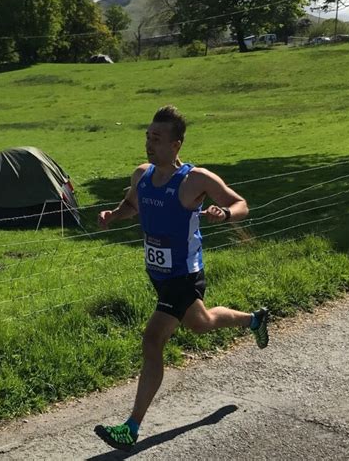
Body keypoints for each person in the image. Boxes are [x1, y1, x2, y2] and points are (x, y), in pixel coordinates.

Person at [95, 105, 268, 452]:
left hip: (184, 275)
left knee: (152, 339)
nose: (149, 144)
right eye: (147, 136)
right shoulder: (141, 175)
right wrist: (115, 214)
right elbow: (133, 204)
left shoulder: (194, 180)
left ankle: (131, 427)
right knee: (201, 323)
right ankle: (254, 320)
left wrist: (225, 213)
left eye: (157, 139)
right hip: (158, 275)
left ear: (175, 145)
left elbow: (241, 203)